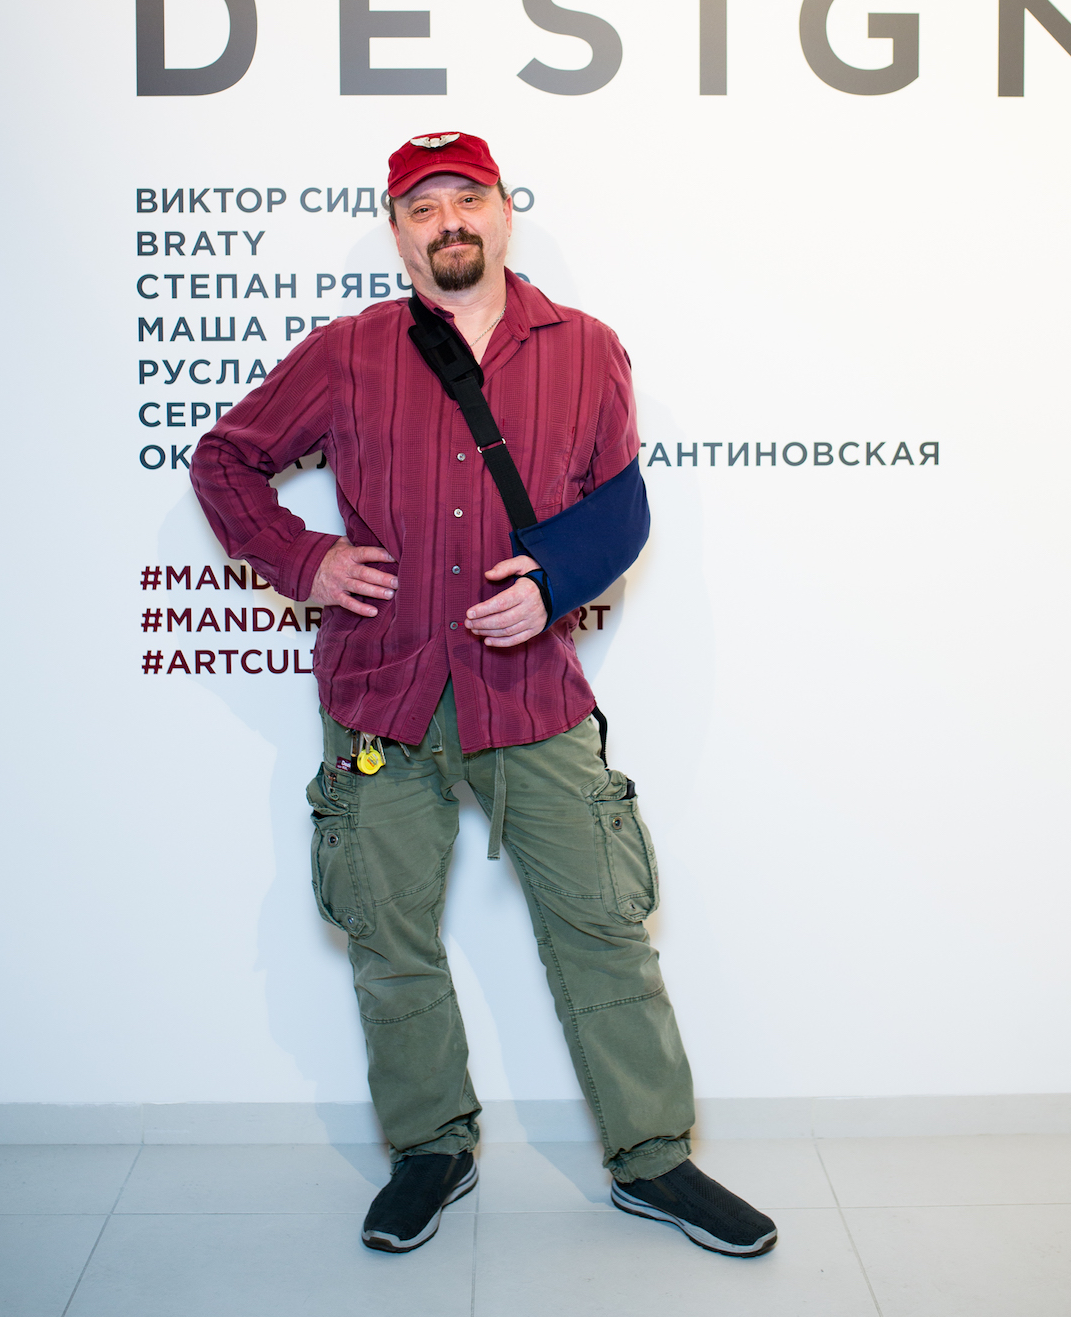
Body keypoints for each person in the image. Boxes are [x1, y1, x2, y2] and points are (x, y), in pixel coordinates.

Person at [190, 131, 777, 1259]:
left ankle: (654, 1160)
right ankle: (430, 1150)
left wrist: (552, 582)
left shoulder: (586, 347)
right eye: (422, 207)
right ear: (398, 232)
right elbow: (226, 459)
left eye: (467, 198)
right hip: (381, 692)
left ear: (505, 211)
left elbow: (620, 506)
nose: (448, 221)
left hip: (529, 695)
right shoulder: (349, 352)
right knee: (388, 937)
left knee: (603, 927)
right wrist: (305, 559)